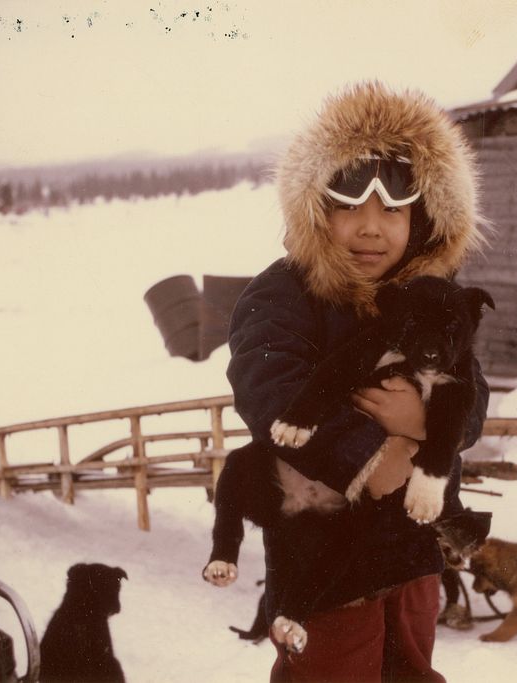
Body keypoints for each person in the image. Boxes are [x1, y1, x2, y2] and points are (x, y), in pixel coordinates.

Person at [205, 81, 489, 682]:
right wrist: (370, 455)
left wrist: (426, 423)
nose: (370, 228)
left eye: (392, 209)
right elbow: (269, 389)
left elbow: (472, 390)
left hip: (413, 546)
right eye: (348, 206)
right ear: (315, 210)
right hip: (324, 555)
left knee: (410, 670)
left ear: (423, 218)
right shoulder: (284, 293)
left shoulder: (432, 300)